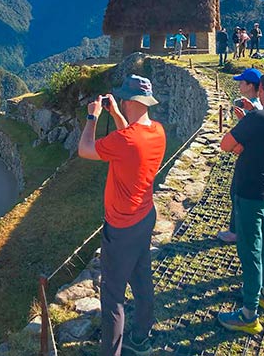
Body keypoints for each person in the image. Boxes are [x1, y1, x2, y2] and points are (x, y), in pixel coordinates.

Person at [78, 75, 166, 355]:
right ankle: (141, 336)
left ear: (128, 101)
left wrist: (92, 118)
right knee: (141, 278)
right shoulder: (158, 131)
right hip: (145, 216)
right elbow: (131, 140)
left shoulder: (124, 140)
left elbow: (85, 150)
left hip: (121, 227)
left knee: (113, 297)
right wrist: (116, 114)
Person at [218, 70, 264, 334]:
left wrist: (241, 142)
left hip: (250, 192)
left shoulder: (257, 118)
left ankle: (249, 314)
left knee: (250, 251)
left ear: (261, 90)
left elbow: (226, 144)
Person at [217, 68, 264, 243]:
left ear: (250, 85)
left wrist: (237, 143)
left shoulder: (255, 108)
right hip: (253, 159)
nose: (239, 85)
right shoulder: (257, 106)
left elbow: (251, 135)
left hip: (248, 159)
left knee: (238, 193)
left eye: (242, 82)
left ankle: (236, 232)